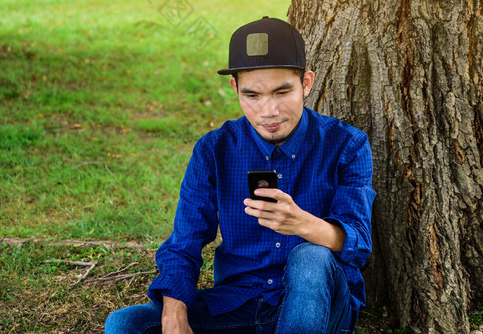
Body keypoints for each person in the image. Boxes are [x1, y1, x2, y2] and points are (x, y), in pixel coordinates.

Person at [105, 17, 376, 333]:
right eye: (253, 95)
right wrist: (174, 317)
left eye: (282, 91)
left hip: (318, 305)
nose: (268, 111)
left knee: (310, 257)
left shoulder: (346, 143)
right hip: (237, 302)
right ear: (235, 88)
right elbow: (184, 244)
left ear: (306, 83)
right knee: (125, 324)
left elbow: (358, 243)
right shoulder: (214, 150)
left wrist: (301, 222)